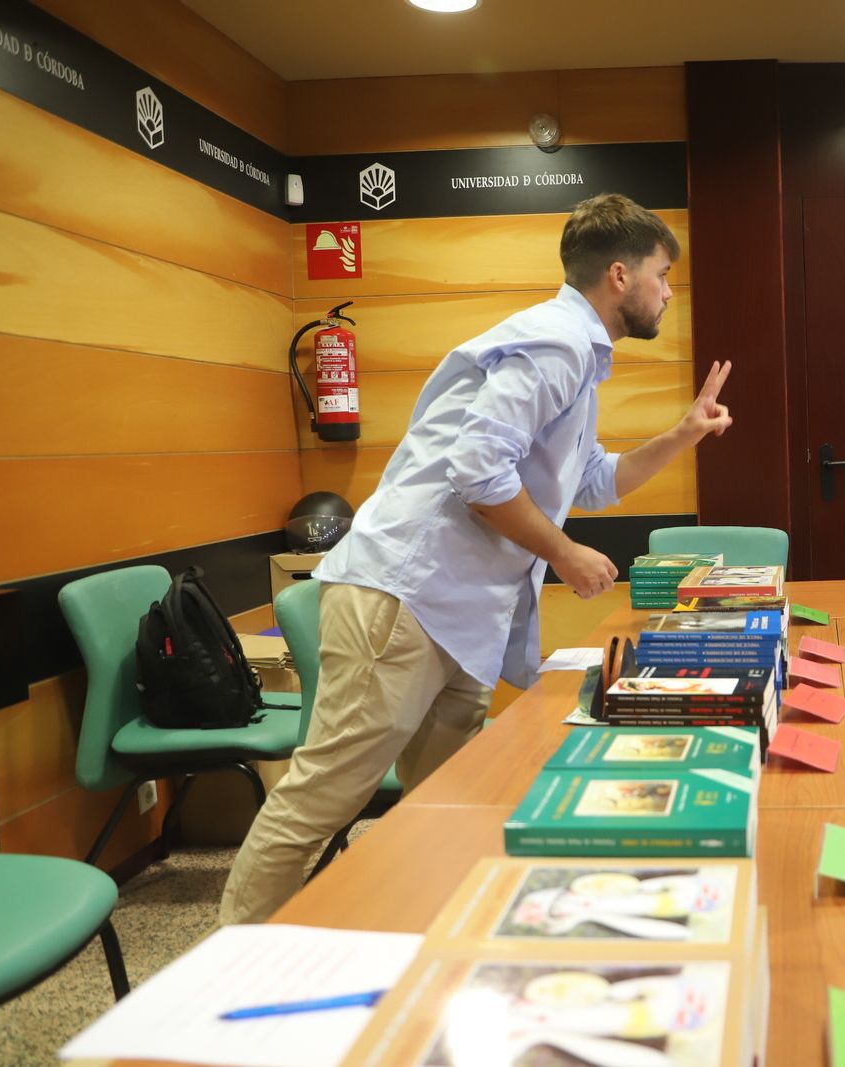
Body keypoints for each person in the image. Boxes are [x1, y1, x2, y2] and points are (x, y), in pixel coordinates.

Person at [221, 193, 734, 922]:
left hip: (456, 616)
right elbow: (478, 471)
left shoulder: (577, 355)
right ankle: (233, 963)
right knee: (318, 802)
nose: (669, 292)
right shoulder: (557, 344)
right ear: (620, 275)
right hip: (405, 597)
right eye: (663, 275)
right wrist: (565, 553)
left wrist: (683, 433)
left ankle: (440, 949)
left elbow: (592, 480)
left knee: (451, 804)